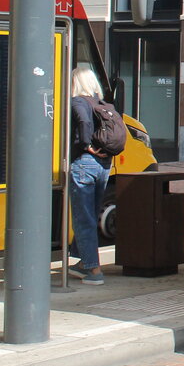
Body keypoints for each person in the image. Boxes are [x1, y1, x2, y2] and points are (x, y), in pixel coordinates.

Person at [67, 68, 110, 285]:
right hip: (103, 166)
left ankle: (93, 270)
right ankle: (83, 261)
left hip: (84, 164)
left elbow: (83, 122)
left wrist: (86, 145)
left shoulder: (77, 102)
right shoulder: (100, 103)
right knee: (90, 215)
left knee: (83, 218)